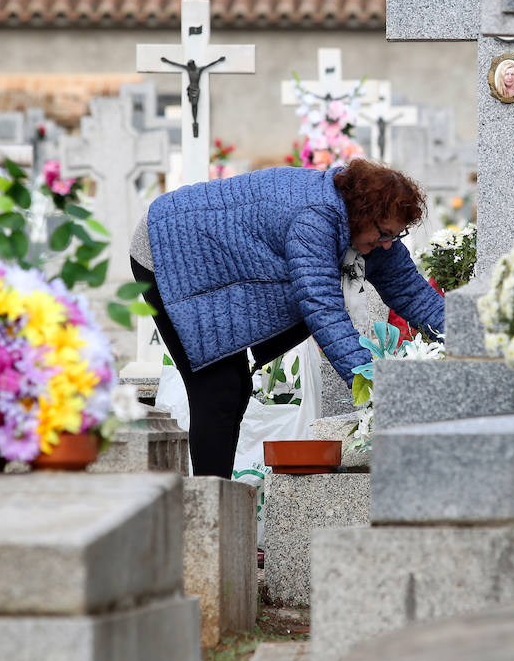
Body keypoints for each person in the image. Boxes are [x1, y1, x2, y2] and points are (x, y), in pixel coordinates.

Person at [129, 159, 445, 477]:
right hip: (170, 248)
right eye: (384, 234)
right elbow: (322, 309)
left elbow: (415, 296)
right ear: (363, 213)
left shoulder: (371, 231)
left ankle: (218, 501)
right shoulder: (316, 218)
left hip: (215, 256)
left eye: (396, 235)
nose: (388, 244)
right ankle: (208, 512)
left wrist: (473, 342)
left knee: (232, 385)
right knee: (217, 388)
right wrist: (375, 388)